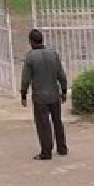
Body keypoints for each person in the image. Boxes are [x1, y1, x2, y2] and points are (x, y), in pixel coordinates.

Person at [19, 28, 69, 161]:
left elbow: (25, 79)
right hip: (54, 94)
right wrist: (63, 91)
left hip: (40, 97)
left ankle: (46, 152)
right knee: (57, 121)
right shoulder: (53, 54)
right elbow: (61, 75)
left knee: (43, 124)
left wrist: (23, 95)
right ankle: (62, 148)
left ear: (31, 41)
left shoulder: (30, 57)